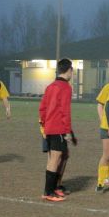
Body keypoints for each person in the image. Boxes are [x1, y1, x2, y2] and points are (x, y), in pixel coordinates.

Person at [39, 58, 77, 202]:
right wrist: (67, 131)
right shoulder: (66, 87)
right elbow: (65, 111)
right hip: (58, 128)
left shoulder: (50, 86)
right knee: (55, 160)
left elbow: (42, 108)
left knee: (54, 158)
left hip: (48, 128)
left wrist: (44, 124)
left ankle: (53, 188)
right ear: (69, 70)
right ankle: (48, 192)